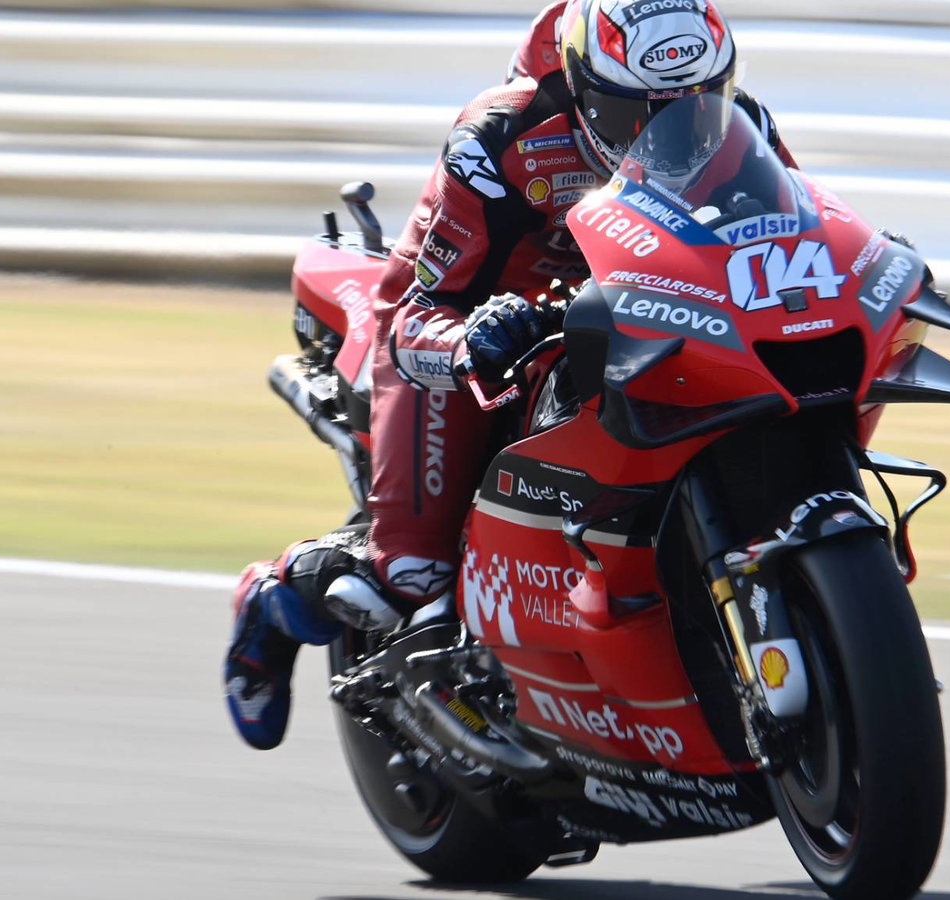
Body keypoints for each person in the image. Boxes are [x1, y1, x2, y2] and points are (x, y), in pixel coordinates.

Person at [224, 0, 797, 750]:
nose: (673, 138)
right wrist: (472, 339)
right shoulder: (500, 140)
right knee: (411, 574)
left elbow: (785, 236)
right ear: (587, 91)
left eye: (696, 107)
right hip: (476, 333)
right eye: (640, 116)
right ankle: (275, 598)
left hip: (643, 321)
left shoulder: (735, 119)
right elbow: (416, 315)